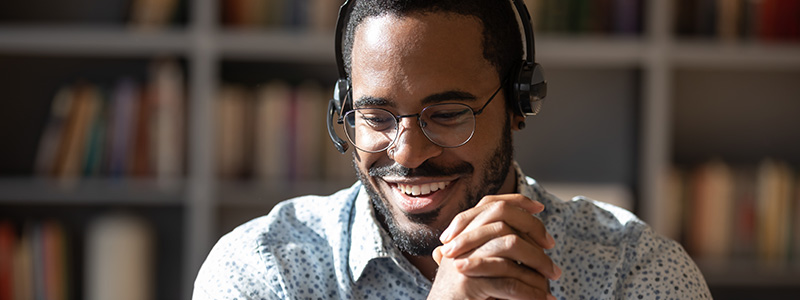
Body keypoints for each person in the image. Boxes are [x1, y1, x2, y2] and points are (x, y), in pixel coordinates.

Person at [194, 0, 711, 299]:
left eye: (446, 115)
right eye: (376, 117)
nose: (408, 152)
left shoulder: (636, 274)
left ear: (517, 104)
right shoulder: (266, 270)